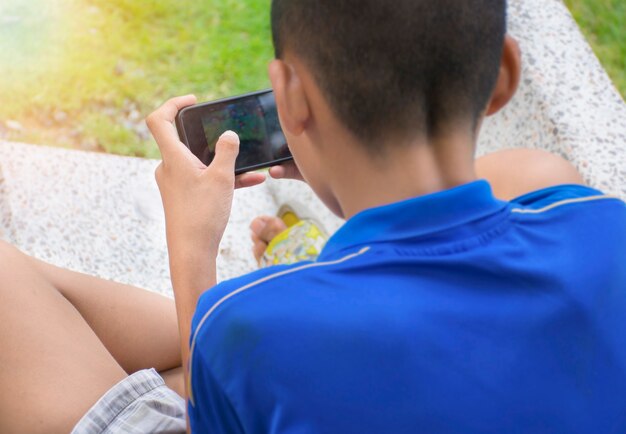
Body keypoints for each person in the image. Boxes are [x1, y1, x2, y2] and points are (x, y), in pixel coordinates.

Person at [0, 1, 624, 434]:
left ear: (291, 97)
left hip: (242, 395)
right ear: (503, 74)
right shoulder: (604, 228)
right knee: (536, 171)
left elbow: (220, 389)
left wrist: (191, 248)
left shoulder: (251, 326)